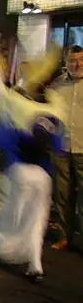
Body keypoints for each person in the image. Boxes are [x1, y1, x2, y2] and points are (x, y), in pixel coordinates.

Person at [0, 48, 67, 282]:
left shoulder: (20, 104)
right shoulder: (54, 107)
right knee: (36, 220)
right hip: (43, 173)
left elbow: (0, 92)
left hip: (19, 169)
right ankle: (35, 264)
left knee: (12, 213)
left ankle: (4, 249)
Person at [50, 45, 83, 251]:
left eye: (81, 60)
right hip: (60, 146)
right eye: (73, 60)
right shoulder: (56, 85)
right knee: (62, 194)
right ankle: (65, 235)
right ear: (66, 62)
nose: (77, 64)